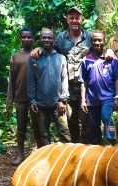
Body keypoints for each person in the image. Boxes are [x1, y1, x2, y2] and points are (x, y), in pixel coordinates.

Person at [31, 7, 91, 143]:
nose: (74, 20)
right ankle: (74, 149)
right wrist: (39, 48)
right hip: (67, 86)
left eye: (77, 17)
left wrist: (109, 52)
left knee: (86, 118)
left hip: (85, 86)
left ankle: (86, 148)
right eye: (72, 18)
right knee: (71, 119)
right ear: (67, 20)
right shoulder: (60, 38)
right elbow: (50, 51)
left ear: (82, 19)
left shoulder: (89, 37)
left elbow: (99, 52)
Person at [27, 28, 71, 147]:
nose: (47, 40)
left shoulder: (60, 58)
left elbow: (64, 79)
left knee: (64, 132)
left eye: (49, 37)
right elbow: (31, 80)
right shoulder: (34, 58)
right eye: (44, 37)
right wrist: (32, 100)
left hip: (58, 104)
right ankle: (46, 160)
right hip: (40, 104)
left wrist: (63, 100)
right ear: (40, 39)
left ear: (53, 39)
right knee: (43, 135)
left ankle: (66, 159)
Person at [6, 28, 41, 165]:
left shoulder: (37, 54)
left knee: (36, 126)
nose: (26, 39)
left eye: (29, 37)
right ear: (20, 39)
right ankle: (20, 154)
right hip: (20, 98)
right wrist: (9, 101)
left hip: (35, 98)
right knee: (21, 128)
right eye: (24, 37)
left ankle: (37, 153)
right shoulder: (15, 56)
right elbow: (12, 80)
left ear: (33, 38)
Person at [79, 30, 118, 145]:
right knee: (93, 125)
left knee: (106, 117)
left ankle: (113, 143)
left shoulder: (112, 59)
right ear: (90, 42)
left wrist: (117, 97)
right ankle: (98, 148)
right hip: (91, 100)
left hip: (107, 97)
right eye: (94, 40)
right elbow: (83, 82)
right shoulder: (86, 60)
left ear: (104, 41)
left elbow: (117, 78)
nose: (97, 43)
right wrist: (83, 100)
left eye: (100, 40)